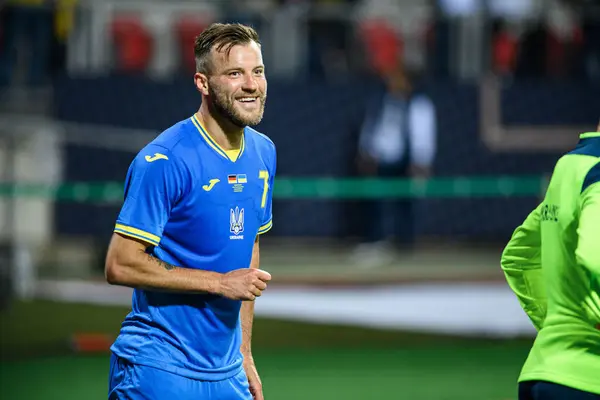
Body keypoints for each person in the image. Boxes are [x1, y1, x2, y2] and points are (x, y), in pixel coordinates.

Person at [104, 23, 276, 400]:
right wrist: (218, 282)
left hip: (227, 372)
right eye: (234, 73)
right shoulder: (164, 160)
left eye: (257, 71)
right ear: (202, 83)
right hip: (158, 368)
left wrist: (244, 353)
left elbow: (248, 251)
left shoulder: (264, 153)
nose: (251, 85)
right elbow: (120, 264)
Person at [501, 123, 600, 400]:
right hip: (587, 381)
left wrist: (560, 326)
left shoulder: (570, 166)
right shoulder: (597, 173)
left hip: (544, 372)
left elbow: (519, 256)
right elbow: (595, 254)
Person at [353, 65, 436, 267]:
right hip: (380, 160)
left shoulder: (419, 104)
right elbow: (371, 127)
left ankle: (404, 244)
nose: (392, 83)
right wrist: (366, 152)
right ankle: (376, 242)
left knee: (404, 204)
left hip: (406, 162)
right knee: (375, 203)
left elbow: (424, 134)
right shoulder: (382, 101)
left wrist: (421, 162)